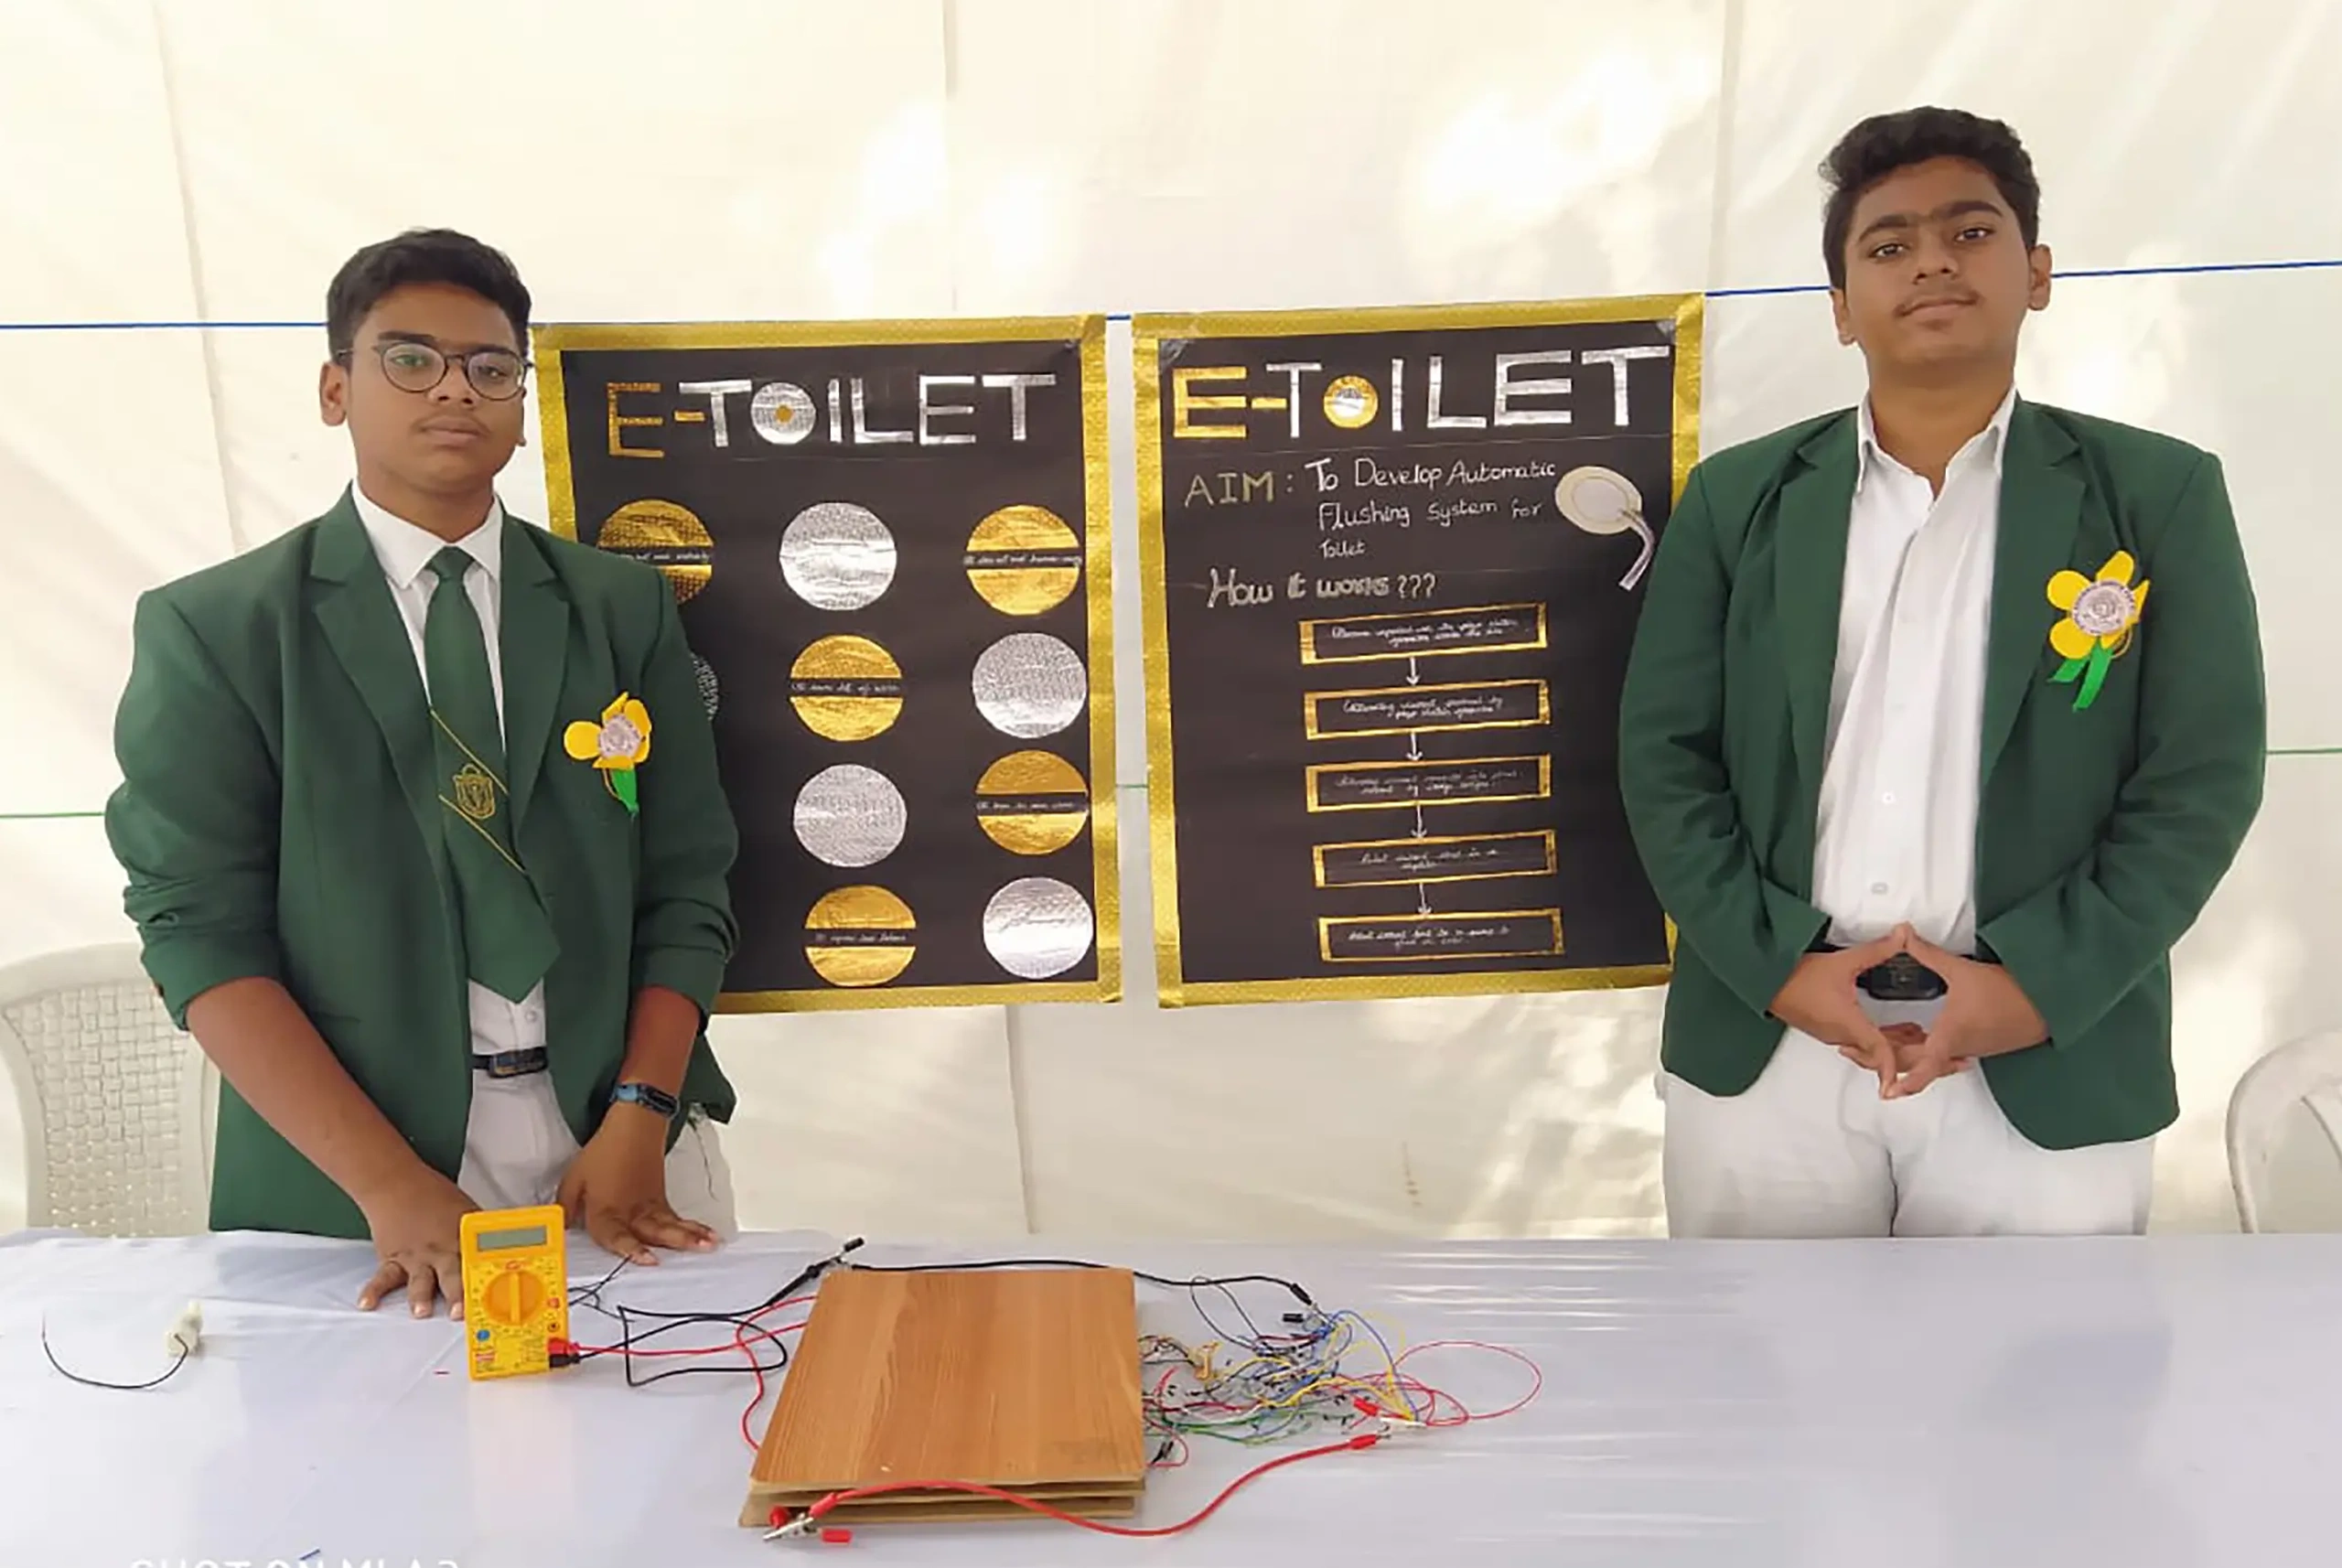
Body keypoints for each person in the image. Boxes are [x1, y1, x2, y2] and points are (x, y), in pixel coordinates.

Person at [1617, 108, 2264, 1238]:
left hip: (2043, 1045)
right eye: (1887, 244)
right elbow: (1664, 757)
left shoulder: (2155, 494)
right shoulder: (1737, 499)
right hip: (1771, 1042)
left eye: (1969, 232)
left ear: (2036, 273)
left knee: (2039, 1359)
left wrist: (2036, 987)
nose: (1929, 262)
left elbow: (2200, 774)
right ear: (1839, 307)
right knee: (1758, 1353)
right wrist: (1778, 968)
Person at [105, 229, 743, 1312]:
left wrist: (642, 1110)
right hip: (354, 1184)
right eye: (410, 358)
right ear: (335, 389)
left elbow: (689, 878)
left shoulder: (617, 608)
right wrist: (388, 1185)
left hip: (626, 1153)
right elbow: (198, 931)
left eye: (490, 367)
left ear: (521, 406)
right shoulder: (221, 629)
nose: (455, 389)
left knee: (693, 1406)